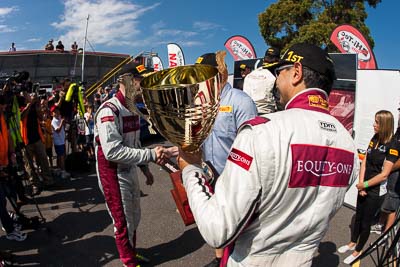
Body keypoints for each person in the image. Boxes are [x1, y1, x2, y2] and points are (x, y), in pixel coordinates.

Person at [178, 43, 359, 267]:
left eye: (278, 72)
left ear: (296, 72)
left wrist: (190, 170)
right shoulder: (348, 144)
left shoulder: (262, 131)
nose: (275, 80)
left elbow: (217, 231)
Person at [94, 62, 173, 267]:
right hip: (112, 172)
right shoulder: (108, 110)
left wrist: (145, 169)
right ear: (126, 81)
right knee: (122, 221)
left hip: (129, 169)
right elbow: (112, 151)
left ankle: (132, 252)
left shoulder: (132, 108)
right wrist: (150, 155)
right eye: (140, 80)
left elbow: (135, 143)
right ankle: (128, 262)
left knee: (135, 216)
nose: (143, 85)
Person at [195, 52, 257, 267]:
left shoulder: (241, 101)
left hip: (236, 181)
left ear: (218, 74)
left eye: (203, 75)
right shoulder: (204, 102)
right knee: (218, 224)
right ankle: (219, 258)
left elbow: (252, 147)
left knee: (238, 231)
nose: (199, 81)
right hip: (211, 177)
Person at [338, 110, 399, 264]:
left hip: (376, 190)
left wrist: (365, 185)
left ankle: (358, 250)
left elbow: (384, 174)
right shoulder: (375, 138)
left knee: (366, 222)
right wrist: (361, 185)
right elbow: (365, 160)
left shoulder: (392, 145)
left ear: (384, 125)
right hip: (364, 186)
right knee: (358, 216)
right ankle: (352, 243)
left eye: (377, 122)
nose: (374, 124)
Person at [243, 47, 281, 115]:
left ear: (264, 59)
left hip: (248, 114)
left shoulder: (249, 75)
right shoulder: (275, 75)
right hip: (268, 114)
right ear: (277, 59)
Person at [51, 106, 69, 179]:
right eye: (55, 112)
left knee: (61, 156)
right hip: (58, 142)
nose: (57, 112)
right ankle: (63, 171)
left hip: (62, 140)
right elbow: (57, 130)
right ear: (52, 114)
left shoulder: (59, 118)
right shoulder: (53, 121)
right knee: (61, 156)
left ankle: (59, 169)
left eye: (57, 110)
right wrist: (61, 122)